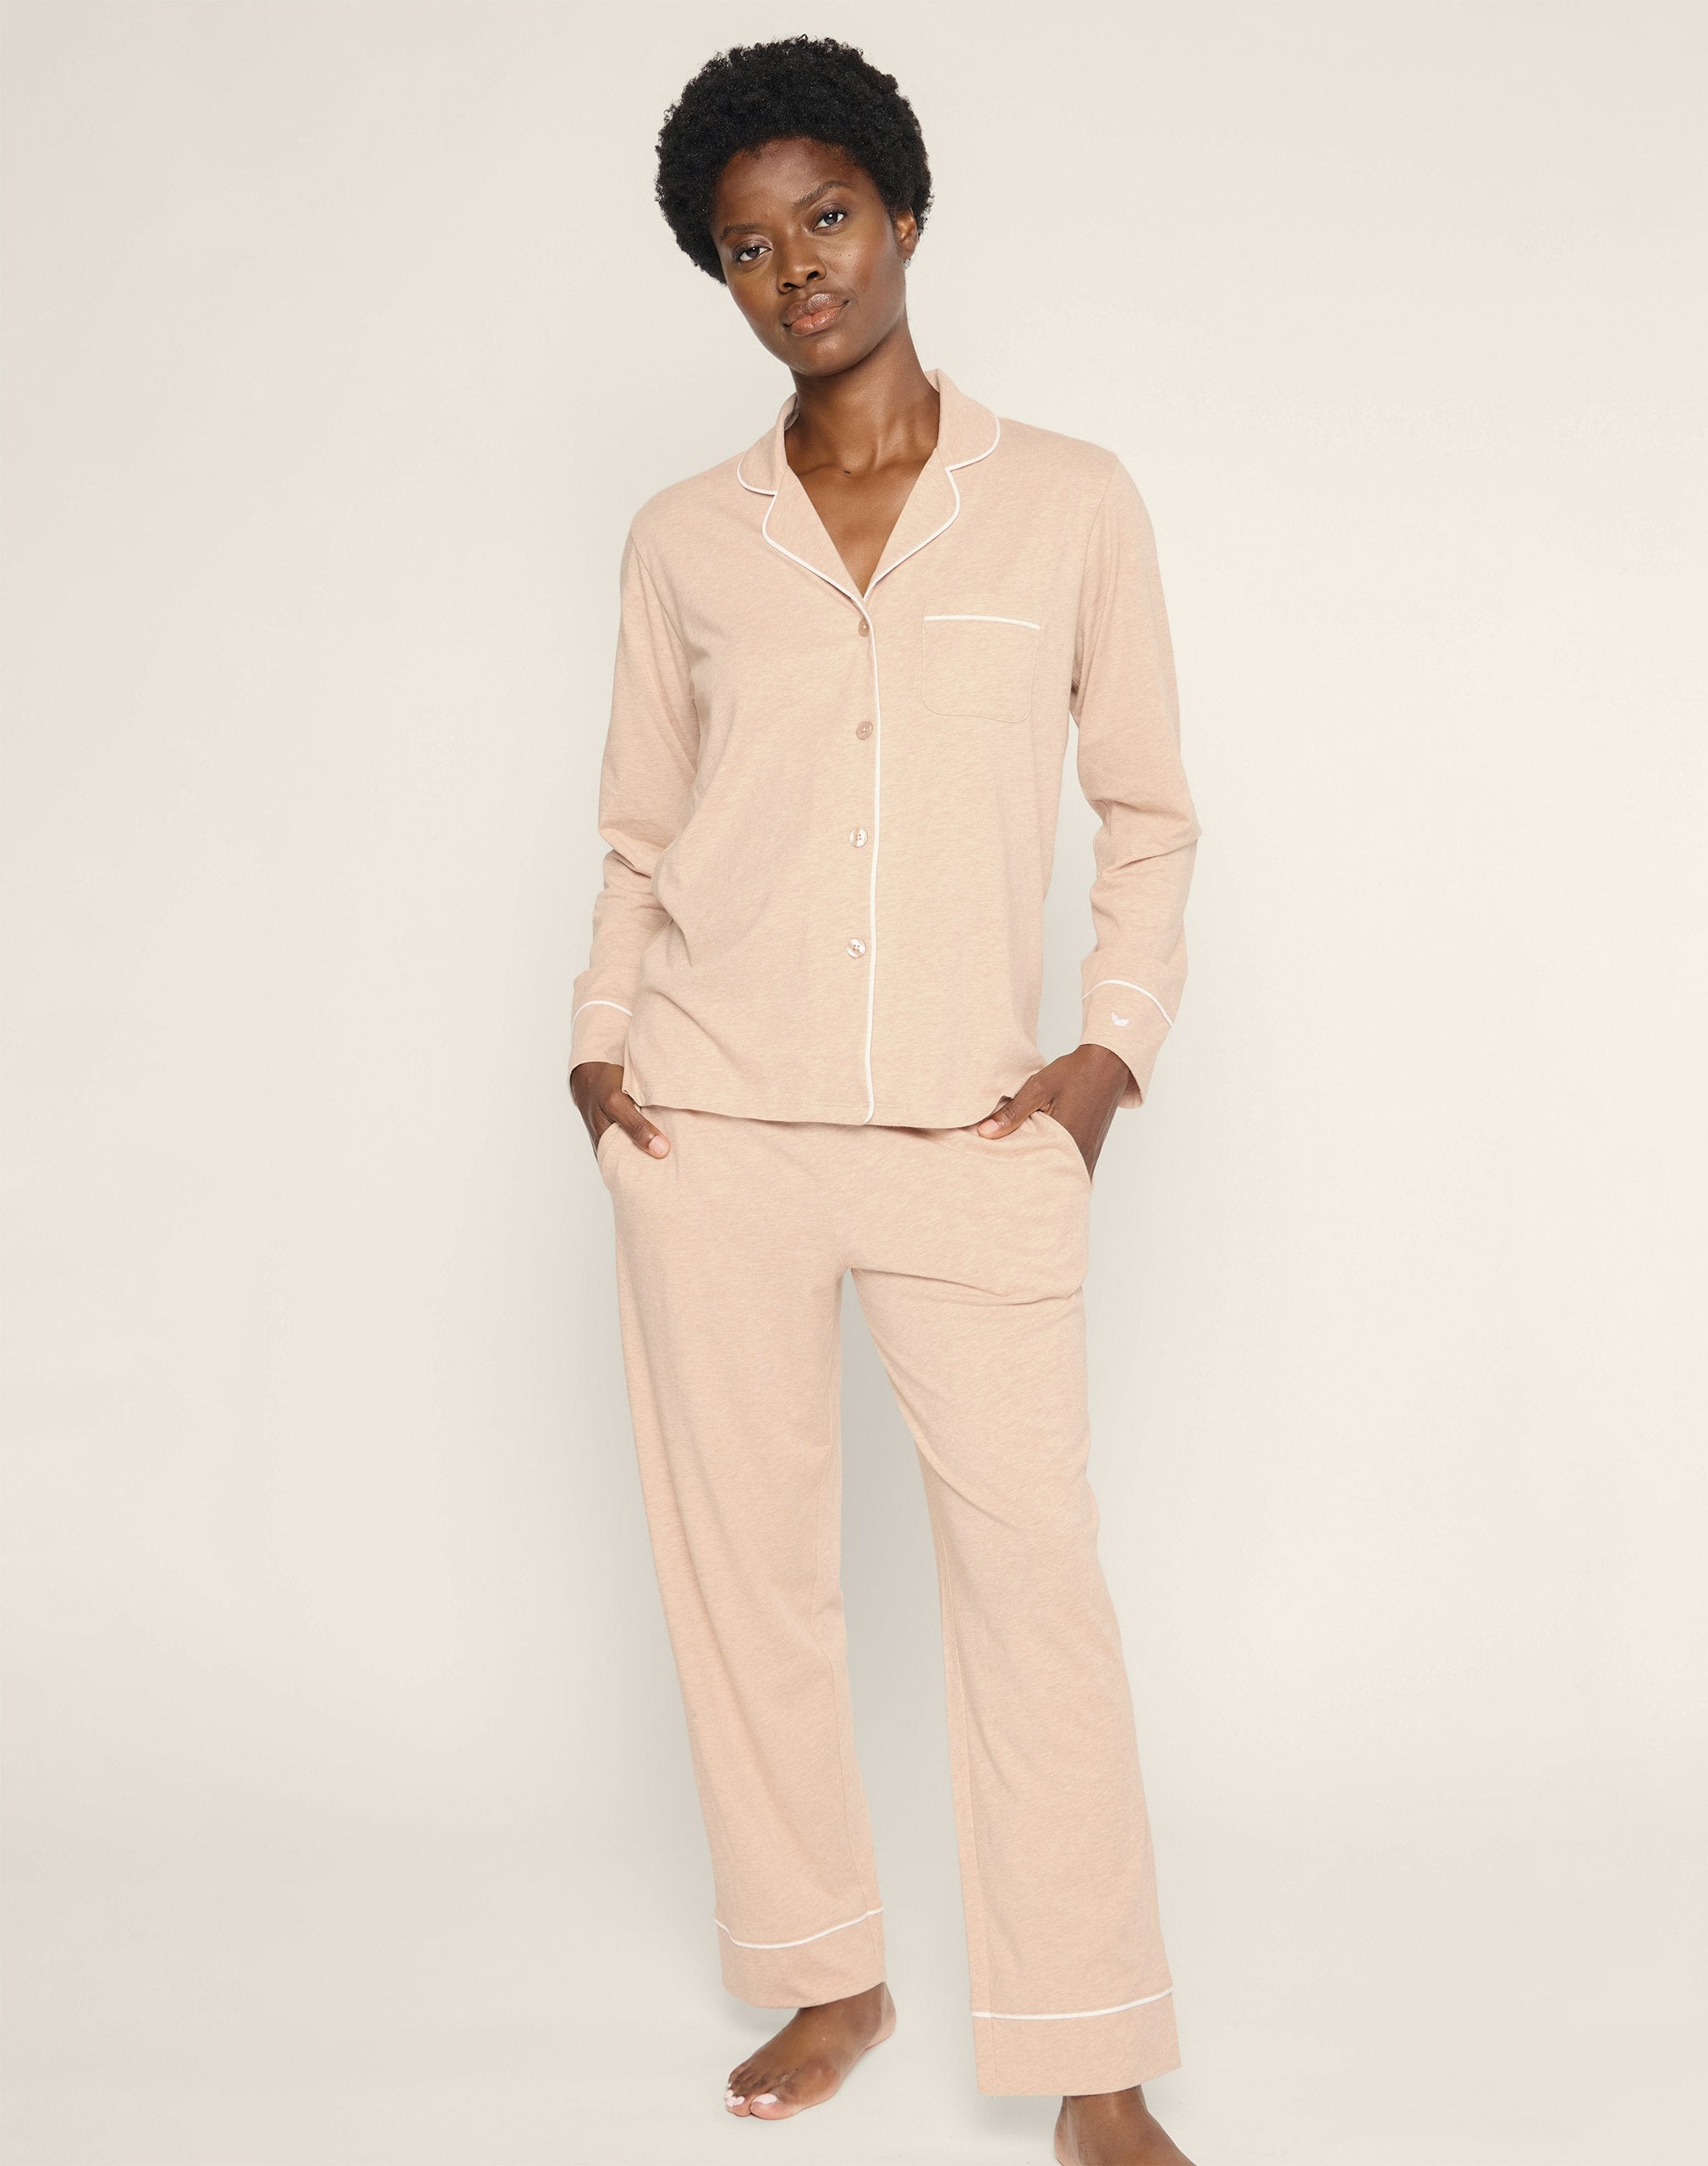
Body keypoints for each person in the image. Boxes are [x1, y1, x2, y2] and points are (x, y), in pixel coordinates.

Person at [567, 36, 1202, 2166]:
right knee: (748, 1578)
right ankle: (827, 1966)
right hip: (713, 1127)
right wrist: (597, 1050)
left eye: (825, 217)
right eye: (747, 248)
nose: (796, 270)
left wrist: (1106, 1052)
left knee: (1036, 1584)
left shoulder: (1071, 501)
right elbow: (638, 828)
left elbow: (1148, 811)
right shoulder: (685, 539)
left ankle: (1094, 2055)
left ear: (904, 215)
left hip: (971, 1135)